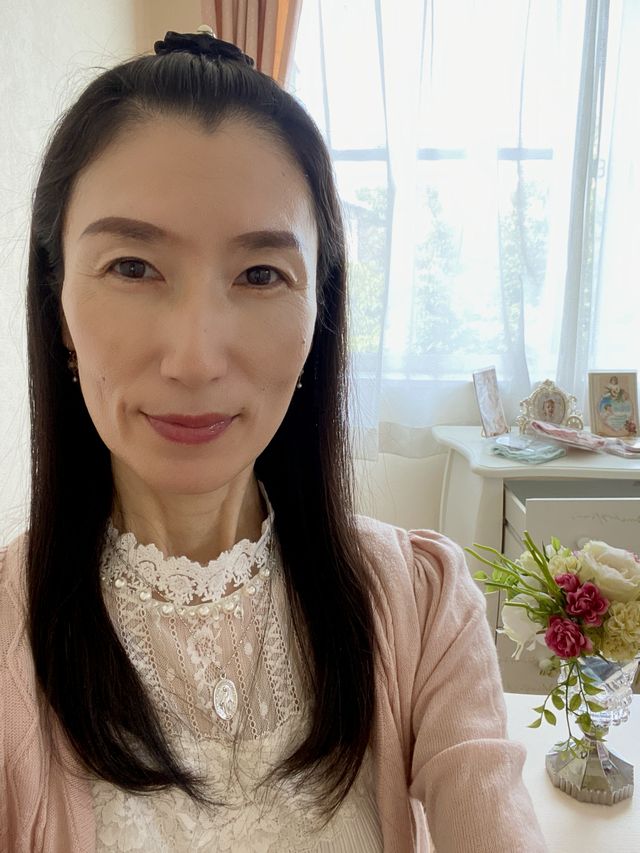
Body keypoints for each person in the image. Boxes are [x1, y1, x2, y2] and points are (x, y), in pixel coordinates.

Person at [0, 28, 547, 853]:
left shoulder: (423, 604)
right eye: (133, 266)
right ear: (58, 306)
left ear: (319, 310)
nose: (194, 358)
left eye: (261, 274)